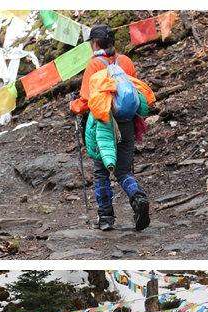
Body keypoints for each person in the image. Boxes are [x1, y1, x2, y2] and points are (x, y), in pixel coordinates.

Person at [70, 24, 151, 232]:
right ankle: (137, 198)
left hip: (102, 126)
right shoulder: (125, 61)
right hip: (126, 123)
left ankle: (105, 217)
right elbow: (135, 90)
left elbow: (87, 101)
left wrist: (73, 105)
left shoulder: (95, 65)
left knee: (101, 172)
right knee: (124, 170)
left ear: (95, 43)